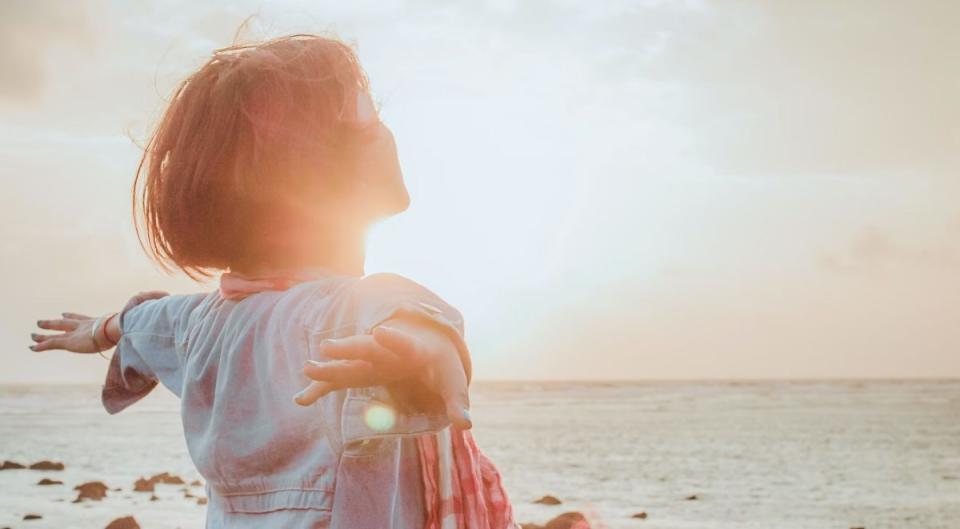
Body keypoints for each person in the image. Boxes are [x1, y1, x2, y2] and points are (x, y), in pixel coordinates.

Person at [30, 34, 517, 529]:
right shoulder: (342, 311)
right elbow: (404, 313)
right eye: (366, 121)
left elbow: (144, 322)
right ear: (311, 173)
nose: (385, 133)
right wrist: (423, 348)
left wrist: (101, 329)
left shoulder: (198, 322)